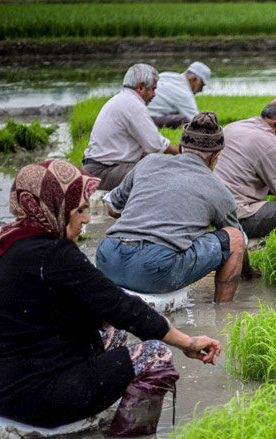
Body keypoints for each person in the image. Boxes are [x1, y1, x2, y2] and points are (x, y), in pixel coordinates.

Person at [0, 159, 221, 435]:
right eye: (78, 210)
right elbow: (123, 307)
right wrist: (187, 342)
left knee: (113, 329)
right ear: (54, 207)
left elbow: (103, 306)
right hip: (35, 399)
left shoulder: (9, 241)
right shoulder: (54, 255)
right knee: (155, 355)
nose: (87, 219)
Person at [95, 111, 251, 303]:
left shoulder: (149, 161)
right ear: (216, 156)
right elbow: (238, 241)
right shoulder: (218, 190)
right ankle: (222, 312)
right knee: (234, 237)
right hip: (153, 270)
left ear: (182, 147)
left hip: (107, 259)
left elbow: (113, 208)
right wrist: (249, 272)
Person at [213, 96, 276, 239]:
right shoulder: (271, 144)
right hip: (235, 217)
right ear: (275, 125)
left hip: (210, 212)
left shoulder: (233, 126)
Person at [82, 63, 179, 191]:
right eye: (153, 89)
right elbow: (156, 145)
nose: (154, 94)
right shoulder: (133, 104)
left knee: (157, 163)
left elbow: (146, 147)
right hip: (103, 172)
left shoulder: (122, 99)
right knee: (162, 174)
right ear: (140, 87)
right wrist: (183, 154)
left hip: (99, 169)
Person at [147, 61, 211, 129]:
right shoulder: (184, 93)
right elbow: (196, 120)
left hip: (140, 114)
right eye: (201, 86)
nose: (201, 90)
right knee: (185, 121)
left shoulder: (167, 75)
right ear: (193, 80)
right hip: (149, 119)